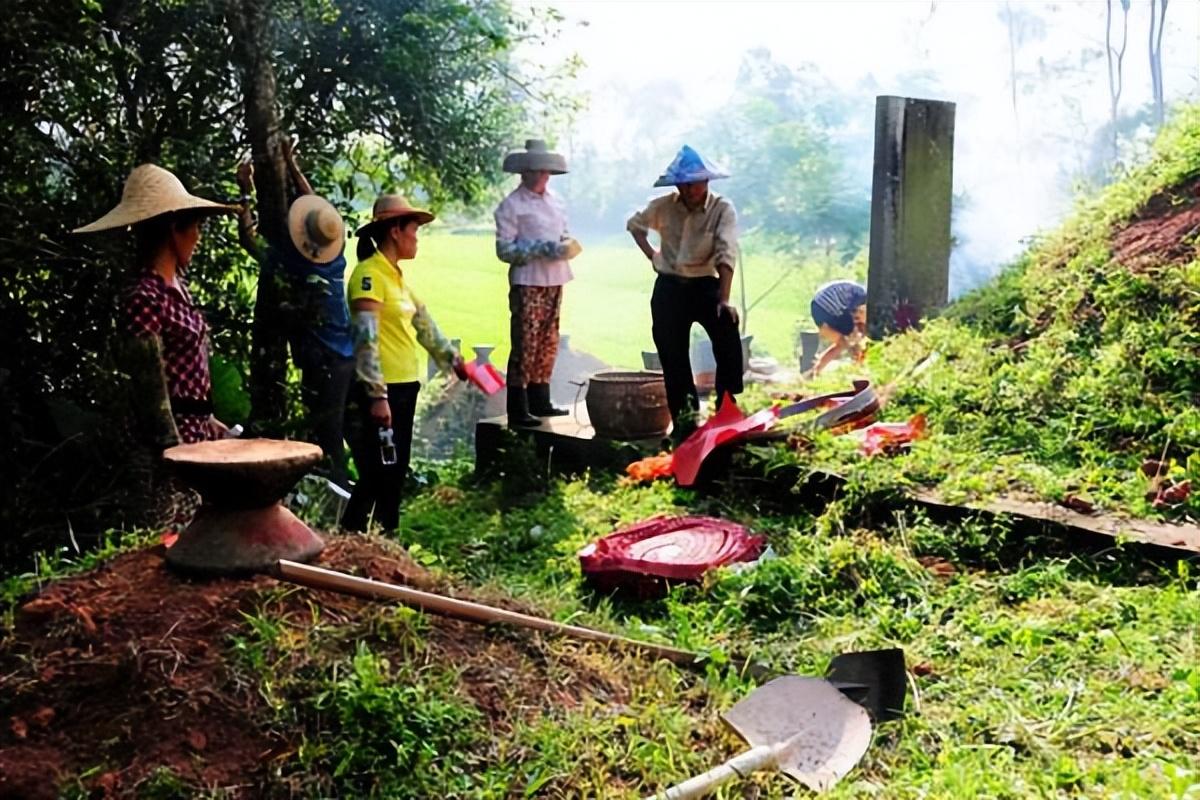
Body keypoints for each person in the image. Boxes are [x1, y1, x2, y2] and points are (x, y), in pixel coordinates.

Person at [74, 164, 236, 525]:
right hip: (165, 451)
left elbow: (186, 370)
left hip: (195, 438)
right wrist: (173, 453)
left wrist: (208, 420)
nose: (198, 236)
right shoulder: (144, 297)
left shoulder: (179, 288)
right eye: (194, 227)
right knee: (166, 538)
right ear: (173, 230)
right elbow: (150, 387)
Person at [342, 194, 468, 532]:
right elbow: (365, 341)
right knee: (375, 471)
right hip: (383, 391)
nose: (417, 237)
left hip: (404, 387)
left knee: (394, 469)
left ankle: (386, 538)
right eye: (414, 230)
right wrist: (377, 395)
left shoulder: (397, 279)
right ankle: (353, 536)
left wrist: (455, 361)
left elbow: (425, 327)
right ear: (395, 231)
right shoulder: (368, 276)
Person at [236, 142, 354, 489]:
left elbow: (249, 240)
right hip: (343, 358)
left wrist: (246, 191)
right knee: (333, 433)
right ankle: (343, 491)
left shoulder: (293, 266)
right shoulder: (336, 257)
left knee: (326, 437)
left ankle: (341, 495)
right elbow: (322, 214)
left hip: (323, 362)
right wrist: (291, 164)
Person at [627, 145, 742, 438]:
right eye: (685, 183)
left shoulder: (721, 209)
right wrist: (652, 255)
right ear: (677, 184)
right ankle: (685, 421)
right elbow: (635, 225)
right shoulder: (663, 205)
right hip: (669, 287)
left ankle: (727, 410)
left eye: (696, 182)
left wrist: (725, 299)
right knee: (672, 354)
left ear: (707, 181)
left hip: (706, 285)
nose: (691, 189)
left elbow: (726, 254)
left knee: (727, 335)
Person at [494, 139, 582, 427]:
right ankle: (518, 406)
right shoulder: (512, 205)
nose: (543, 176)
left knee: (548, 340)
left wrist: (565, 246)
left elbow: (565, 234)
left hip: (555, 278)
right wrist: (538, 248)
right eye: (538, 171)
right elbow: (504, 250)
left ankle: (540, 398)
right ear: (526, 172)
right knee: (526, 342)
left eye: (546, 171)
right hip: (527, 281)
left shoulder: (557, 202)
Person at [807, 279, 868, 377]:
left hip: (817, 308)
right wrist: (858, 331)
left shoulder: (857, 293)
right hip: (828, 306)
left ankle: (815, 372)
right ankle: (860, 368)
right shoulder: (863, 296)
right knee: (855, 340)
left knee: (842, 343)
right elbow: (857, 315)